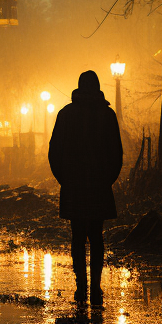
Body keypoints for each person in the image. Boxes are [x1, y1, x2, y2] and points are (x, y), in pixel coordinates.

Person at [47, 70, 123, 310]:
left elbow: (54, 152)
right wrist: (107, 180)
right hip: (99, 185)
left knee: (77, 236)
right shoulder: (107, 115)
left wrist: (65, 179)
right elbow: (116, 154)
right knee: (97, 236)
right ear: (98, 87)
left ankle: (81, 287)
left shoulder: (65, 115)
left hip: (74, 185)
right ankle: (96, 288)